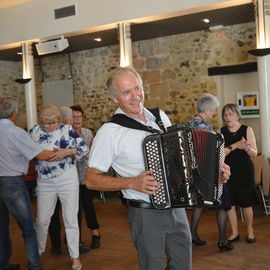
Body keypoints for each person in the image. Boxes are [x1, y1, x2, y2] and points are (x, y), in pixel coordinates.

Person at [86, 67, 231, 270]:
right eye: (127, 92)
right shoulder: (109, 132)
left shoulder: (160, 117)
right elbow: (91, 179)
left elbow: (181, 164)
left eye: (137, 88)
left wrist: (215, 174)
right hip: (146, 214)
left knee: (183, 265)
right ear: (114, 98)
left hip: (177, 208)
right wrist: (132, 182)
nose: (136, 96)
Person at [29, 104, 89, 270]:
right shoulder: (34, 131)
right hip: (45, 181)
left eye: (53, 122)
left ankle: (75, 257)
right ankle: (37, 253)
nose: (49, 126)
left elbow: (84, 148)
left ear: (59, 120)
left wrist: (66, 152)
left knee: (70, 219)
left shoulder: (66, 130)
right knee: (42, 220)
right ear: (41, 121)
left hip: (67, 179)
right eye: (46, 123)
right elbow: (26, 151)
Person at [0, 97, 56, 270]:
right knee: (28, 228)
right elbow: (40, 155)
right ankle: (34, 266)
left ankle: (3, 264)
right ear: (15, 114)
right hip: (11, 183)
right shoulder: (16, 132)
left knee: (1, 228)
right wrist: (64, 151)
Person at [188, 93, 233, 252]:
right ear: (207, 109)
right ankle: (222, 241)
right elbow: (212, 155)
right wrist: (226, 148)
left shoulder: (188, 125)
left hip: (194, 175)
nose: (215, 113)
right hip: (209, 175)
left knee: (199, 203)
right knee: (223, 203)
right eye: (214, 110)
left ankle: (192, 234)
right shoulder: (206, 128)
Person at [48, 107, 90, 254]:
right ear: (68, 119)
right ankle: (73, 245)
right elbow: (83, 151)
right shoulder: (69, 132)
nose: (75, 120)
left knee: (55, 212)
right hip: (68, 179)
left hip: (52, 179)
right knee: (72, 213)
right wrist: (71, 151)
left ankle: (56, 245)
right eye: (73, 117)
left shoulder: (48, 132)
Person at [221, 103, 258, 244]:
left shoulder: (247, 129)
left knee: (246, 204)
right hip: (228, 172)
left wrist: (247, 147)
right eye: (225, 114)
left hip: (245, 172)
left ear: (237, 115)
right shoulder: (221, 131)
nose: (227, 117)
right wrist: (236, 145)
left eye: (230, 113)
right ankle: (235, 233)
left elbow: (254, 154)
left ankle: (250, 231)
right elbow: (220, 153)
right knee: (231, 204)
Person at [71, 105, 101, 250]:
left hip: (86, 177)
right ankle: (75, 240)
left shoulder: (88, 133)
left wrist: (76, 153)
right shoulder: (66, 134)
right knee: (74, 210)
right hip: (71, 179)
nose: (77, 119)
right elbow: (79, 155)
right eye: (74, 117)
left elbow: (91, 155)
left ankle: (96, 234)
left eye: (79, 116)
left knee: (89, 206)